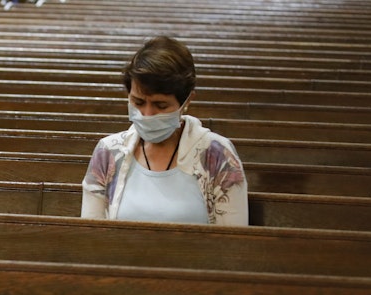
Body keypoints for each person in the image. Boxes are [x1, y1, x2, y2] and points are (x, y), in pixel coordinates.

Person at [81, 36, 248, 226]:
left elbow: (234, 241)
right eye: (138, 102)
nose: (147, 114)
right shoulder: (108, 152)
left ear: (187, 101)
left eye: (161, 105)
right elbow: (91, 234)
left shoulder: (217, 155)